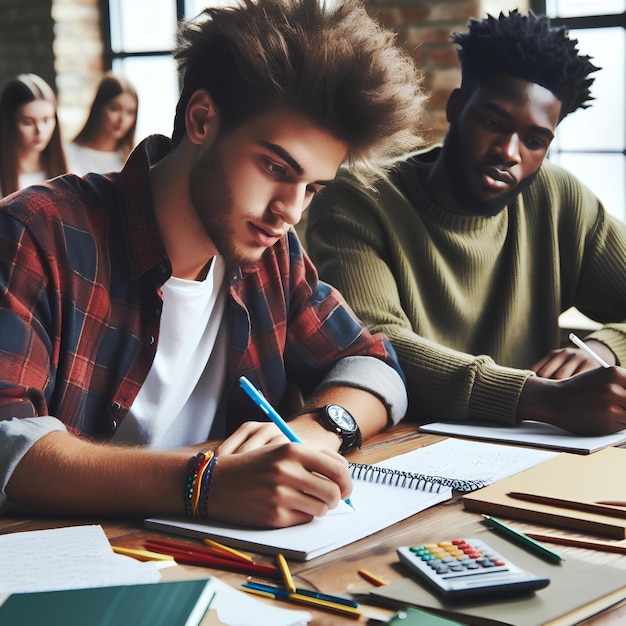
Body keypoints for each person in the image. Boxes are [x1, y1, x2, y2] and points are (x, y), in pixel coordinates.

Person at [0, 0, 427, 528]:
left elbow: (374, 365)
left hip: (229, 560)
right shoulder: (38, 231)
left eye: (312, 188)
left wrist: (318, 428)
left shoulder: (272, 253)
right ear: (201, 119)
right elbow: (7, 443)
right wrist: (205, 482)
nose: (289, 211)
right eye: (275, 168)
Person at [307, 10, 626, 437]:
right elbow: (375, 345)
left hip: (538, 447)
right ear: (457, 108)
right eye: (493, 123)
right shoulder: (361, 195)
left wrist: (609, 346)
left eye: (534, 141)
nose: (509, 152)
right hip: (403, 445)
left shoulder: (559, 197)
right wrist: (543, 398)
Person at [0, 73, 67, 197]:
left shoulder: (68, 166)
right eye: (28, 122)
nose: (40, 130)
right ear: (9, 122)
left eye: (47, 120)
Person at [64, 72, 138, 175]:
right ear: (98, 108)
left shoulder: (136, 159)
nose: (122, 119)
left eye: (130, 112)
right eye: (115, 109)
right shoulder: (68, 152)